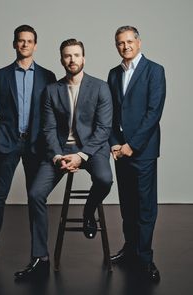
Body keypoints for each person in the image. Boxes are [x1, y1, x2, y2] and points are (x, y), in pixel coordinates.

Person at [14, 38, 113, 280]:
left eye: (76, 55)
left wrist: (81, 155)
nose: (72, 60)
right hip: (60, 150)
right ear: (61, 60)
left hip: (92, 149)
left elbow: (103, 128)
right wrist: (58, 156)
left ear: (84, 58)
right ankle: (40, 257)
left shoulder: (100, 87)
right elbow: (48, 128)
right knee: (36, 194)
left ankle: (89, 212)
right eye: (67, 56)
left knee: (104, 179)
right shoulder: (52, 90)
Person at [0, 24, 56, 265]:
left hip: (35, 146)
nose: (25, 44)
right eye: (20, 40)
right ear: (14, 44)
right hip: (8, 145)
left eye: (29, 41)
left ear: (35, 45)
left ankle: (38, 254)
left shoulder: (48, 77)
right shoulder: (0, 76)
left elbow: (53, 114)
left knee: (35, 197)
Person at [108, 26, 166, 282]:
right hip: (121, 151)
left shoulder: (155, 71)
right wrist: (114, 144)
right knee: (127, 205)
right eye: (121, 42)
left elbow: (154, 112)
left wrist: (132, 145)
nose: (126, 46)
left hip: (142, 152)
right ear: (116, 45)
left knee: (145, 207)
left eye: (130, 41)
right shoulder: (113, 74)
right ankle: (130, 249)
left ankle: (145, 258)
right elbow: (108, 113)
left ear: (139, 43)